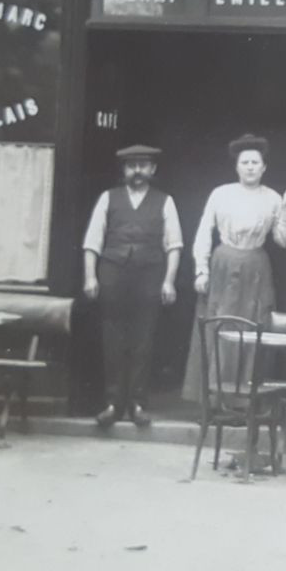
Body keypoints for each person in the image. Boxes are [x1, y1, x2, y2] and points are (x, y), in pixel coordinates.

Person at [182, 134, 286, 405]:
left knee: (252, 329)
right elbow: (203, 232)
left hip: (256, 268)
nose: (250, 167)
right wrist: (201, 269)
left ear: (264, 167)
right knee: (218, 326)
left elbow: (282, 240)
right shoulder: (221, 194)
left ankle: (243, 402)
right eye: (245, 162)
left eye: (256, 162)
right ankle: (212, 399)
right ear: (237, 167)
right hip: (223, 266)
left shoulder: (272, 198)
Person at [82, 144, 183, 429]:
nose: (137, 171)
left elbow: (174, 245)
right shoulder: (108, 198)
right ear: (124, 170)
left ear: (153, 170)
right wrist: (90, 277)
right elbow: (92, 241)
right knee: (112, 340)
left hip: (149, 275)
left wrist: (169, 281)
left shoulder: (165, 201)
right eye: (131, 166)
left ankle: (138, 404)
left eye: (143, 165)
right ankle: (113, 404)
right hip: (112, 273)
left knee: (143, 340)